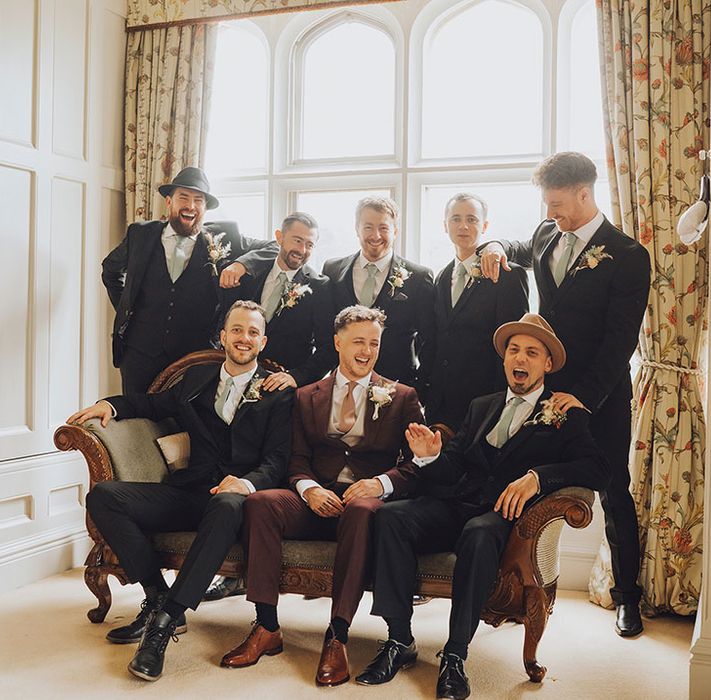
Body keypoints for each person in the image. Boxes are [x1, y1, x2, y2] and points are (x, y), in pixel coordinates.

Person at [356, 314, 608, 698]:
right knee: (391, 516)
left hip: (503, 518)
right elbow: (451, 468)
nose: (520, 359)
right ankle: (399, 640)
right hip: (457, 504)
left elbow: (597, 469)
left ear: (547, 364)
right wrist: (429, 457)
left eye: (531, 353)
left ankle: (455, 655)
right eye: (514, 350)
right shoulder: (481, 406)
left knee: (478, 533)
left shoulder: (564, 414)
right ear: (504, 358)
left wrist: (538, 476)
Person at [68, 301, 293, 681]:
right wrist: (109, 404)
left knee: (225, 504)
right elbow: (150, 404)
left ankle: (166, 622)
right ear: (222, 336)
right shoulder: (194, 380)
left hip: (238, 502)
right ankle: (157, 596)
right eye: (237, 330)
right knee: (104, 497)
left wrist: (246, 483)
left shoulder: (278, 392)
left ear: (263, 341)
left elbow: (279, 459)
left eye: (253, 332)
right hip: (190, 493)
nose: (244, 338)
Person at [479, 151, 651, 636]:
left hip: (600, 395)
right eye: (546, 204)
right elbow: (519, 245)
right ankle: (512, 586)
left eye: (558, 203)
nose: (552, 213)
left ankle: (627, 599)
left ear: (585, 192)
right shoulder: (544, 233)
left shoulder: (628, 255)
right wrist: (493, 243)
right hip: (543, 389)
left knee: (614, 491)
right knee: (528, 478)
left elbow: (622, 341)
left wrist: (585, 397)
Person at [220, 305, 423, 687]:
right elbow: (295, 458)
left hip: (363, 506)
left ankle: (338, 636)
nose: (366, 351)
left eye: (374, 343)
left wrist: (379, 483)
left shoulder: (401, 396)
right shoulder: (306, 396)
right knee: (260, 502)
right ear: (337, 343)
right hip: (313, 499)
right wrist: (309, 489)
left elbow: (417, 466)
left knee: (363, 510)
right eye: (358, 342)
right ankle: (266, 626)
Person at [204, 212, 336, 602]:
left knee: (268, 468)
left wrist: (295, 376)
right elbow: (222, 318)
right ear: (279, 237)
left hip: (279, 391)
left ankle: (253, 569)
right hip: (236, 376)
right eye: (296, 241)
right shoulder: (250, 269)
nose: (302, 250)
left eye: (310, 244)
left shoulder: (321, 286)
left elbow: (326, 350)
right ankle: (228, 567)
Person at [102, 166, 277, 394]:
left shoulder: (224, 238)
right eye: (183, 197)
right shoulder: (141, 234)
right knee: (136, 420)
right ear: (169, 201)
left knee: (186, 423)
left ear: (205, 208)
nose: (191, 206)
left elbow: (273, 247)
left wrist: (241, 264)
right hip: (139, 354)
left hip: (195, 357)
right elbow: (110, 270)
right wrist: (128, 309)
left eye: (198, 200)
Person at [425, 192, 529, 432]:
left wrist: (501, 401)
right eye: (456, 219)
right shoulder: (441, 277)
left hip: (485, 402)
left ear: (484, 225)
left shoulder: (507, 275)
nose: (463, 225)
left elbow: (512, 344)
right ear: (445, 225)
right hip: (440, 402)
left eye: (471, 219)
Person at [322, 197, 435, 398]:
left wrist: (418, 389)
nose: (375, 235)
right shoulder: (332, 269)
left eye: (383, 228)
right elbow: (326, 331)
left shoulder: (419, 277)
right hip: (341, 387)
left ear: (395, 231)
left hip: (396, 386)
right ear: (357, 229)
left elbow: (429, 340)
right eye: (368, 227)